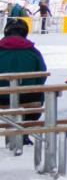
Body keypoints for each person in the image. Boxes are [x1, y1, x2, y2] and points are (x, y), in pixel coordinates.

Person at [0, 19, 47, 153]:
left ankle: (15, 131)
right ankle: (23, 133)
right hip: (31, 100)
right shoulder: (33, 52)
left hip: (1, 99)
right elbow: (42, 75)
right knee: (35, 95)